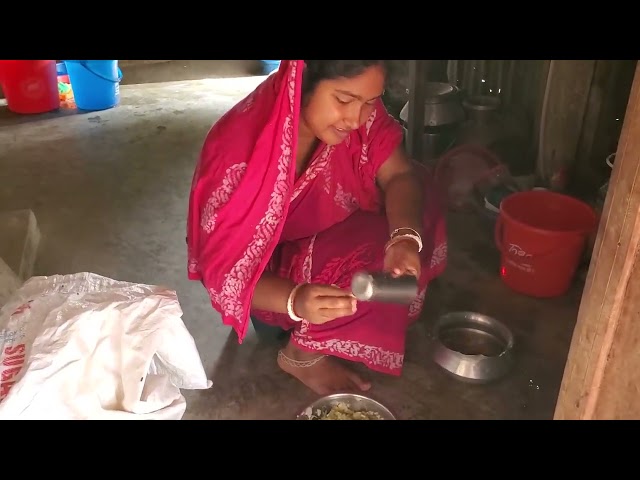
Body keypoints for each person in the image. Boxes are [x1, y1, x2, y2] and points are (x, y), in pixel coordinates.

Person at [187, 60, 447, 395]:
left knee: (416, 204)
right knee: (371, 260)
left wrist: (404, 238)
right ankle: (301, 352)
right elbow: (223, 275)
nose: (356, 119)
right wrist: (297, 300)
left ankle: (364, 308)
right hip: (269, 290)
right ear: (304, 80)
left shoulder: (361, 111)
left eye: (370, 102)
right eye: (343, 100)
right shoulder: (239, 151)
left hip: (326, 236)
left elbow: (398, 175)